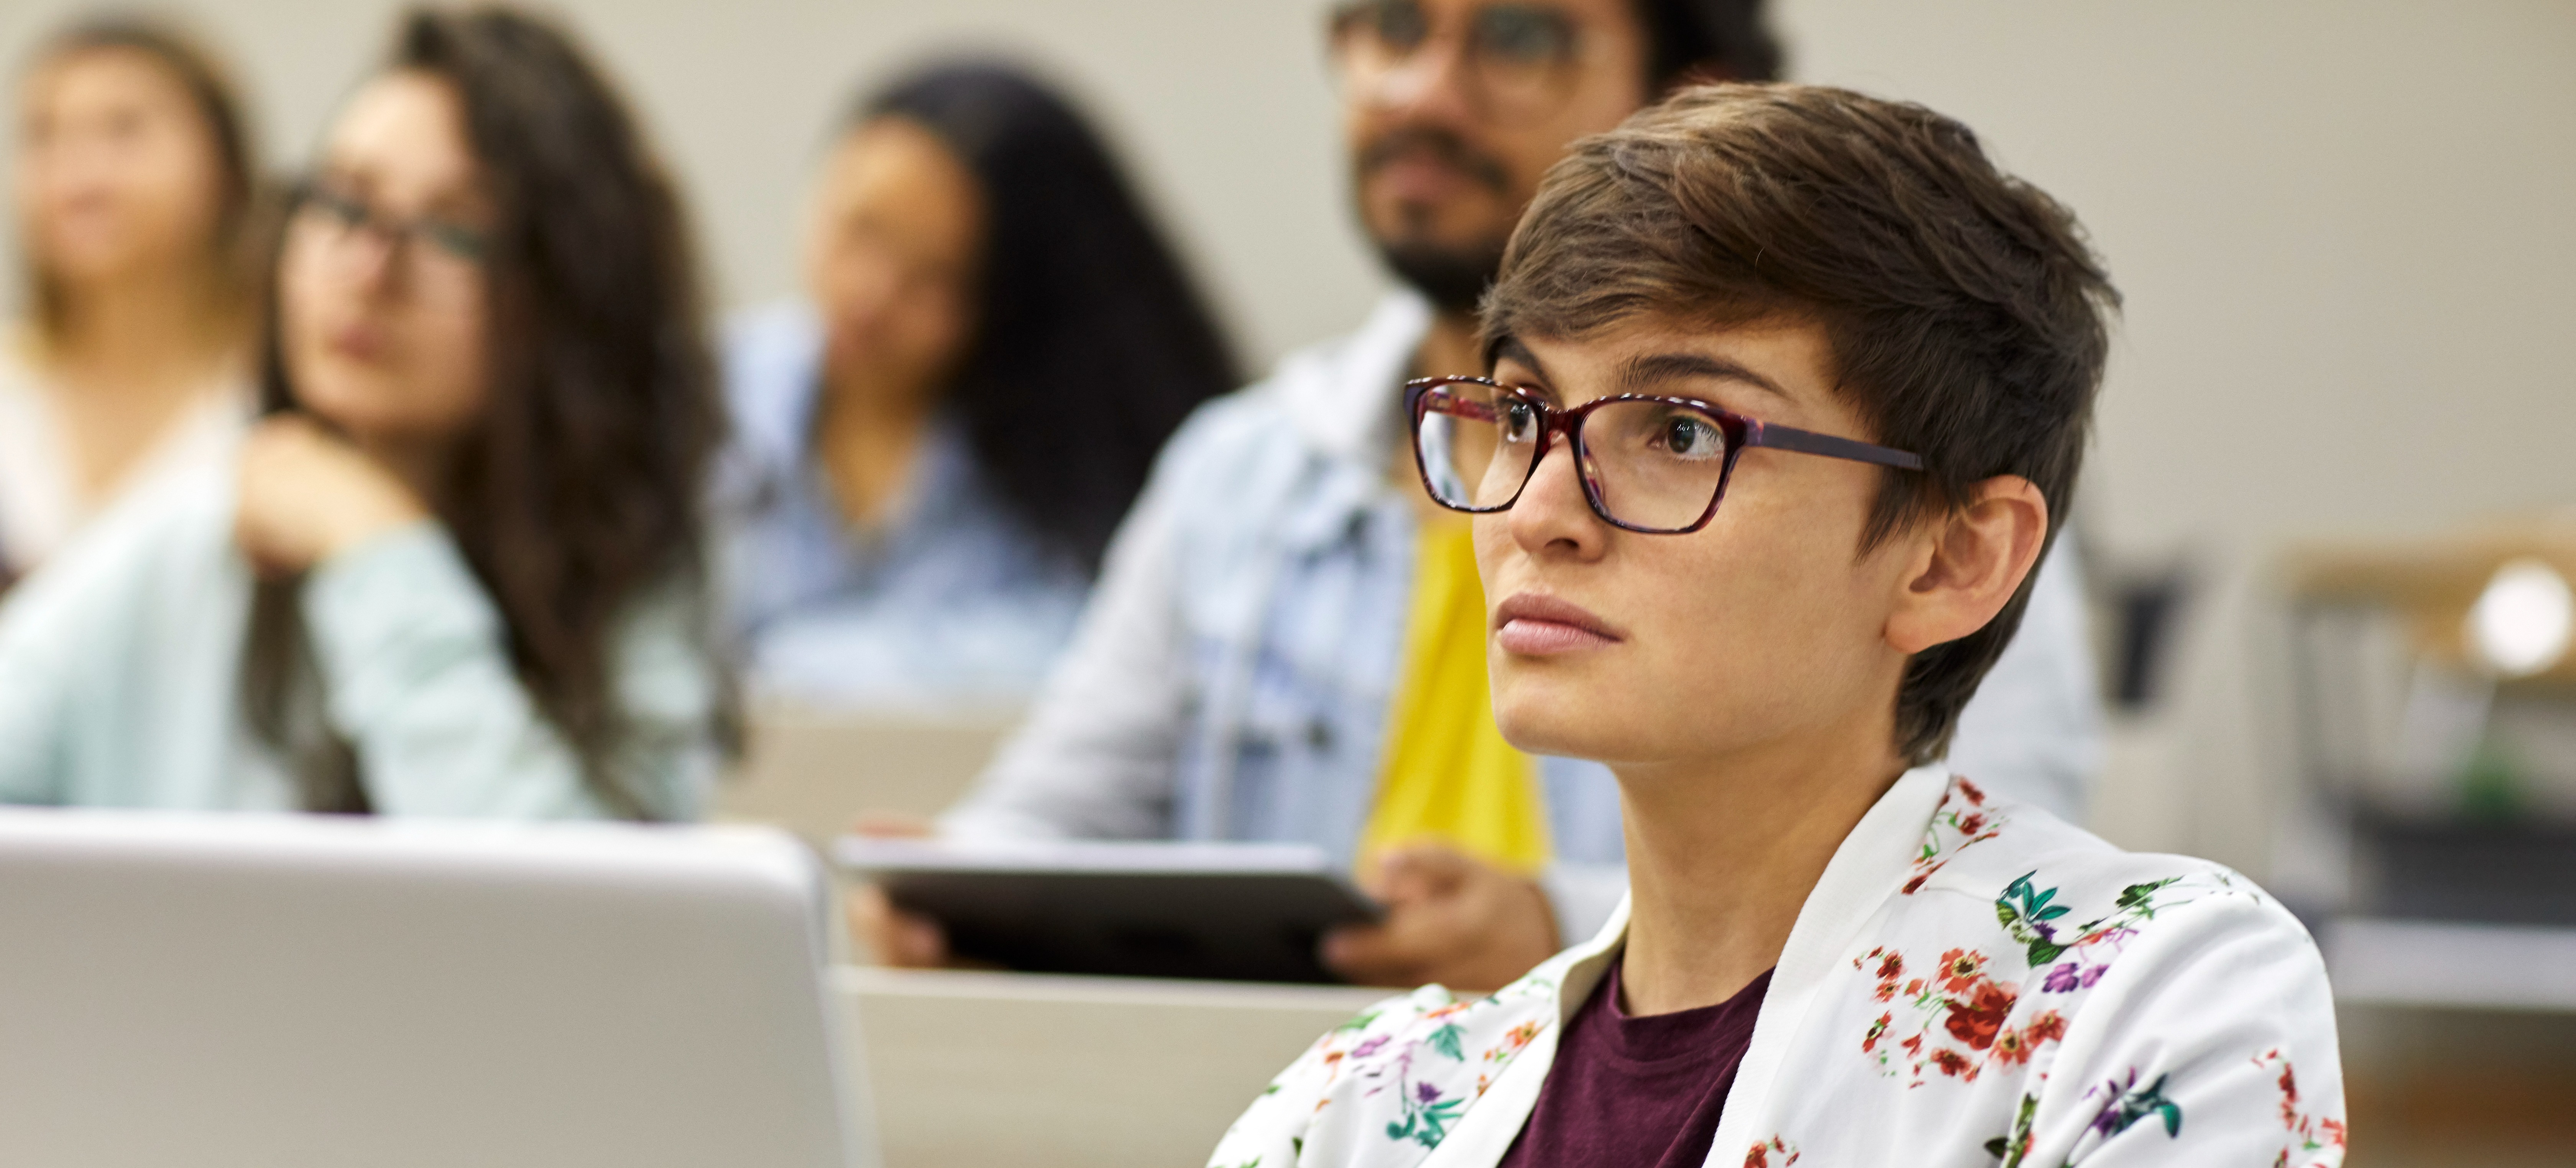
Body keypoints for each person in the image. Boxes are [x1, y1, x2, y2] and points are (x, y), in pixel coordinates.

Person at [1210, 82, 2345, 1168]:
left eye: (1682, 433)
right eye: (1517, 414)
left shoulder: (2140, 997)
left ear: (1955, 556)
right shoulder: (1362, 1103)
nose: (1537, 510)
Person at [905, 0, 2103, 993]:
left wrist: (1562, 934)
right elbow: (1048, 814)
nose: (1421, 94)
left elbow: (1983, 896)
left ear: (1699, 96)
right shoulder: (1240, 467)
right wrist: (938, 889)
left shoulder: (1900, 501)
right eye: (1388, 26)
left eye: (1519, 38)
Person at [0, 7, 727, 819]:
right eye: (344, 203)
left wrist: (375, 542)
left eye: (453, 228)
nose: (369, 269)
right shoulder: (194, 538)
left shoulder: (638, 573)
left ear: (564, 287)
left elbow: (575, 919)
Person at [717, 61, 1237, 709]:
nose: (870, 297)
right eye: (860, 229)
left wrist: (772, 671)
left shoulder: (1070, 469)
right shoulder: (702, 402)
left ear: (1014, 304)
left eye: (933, 278)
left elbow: (1101, 664)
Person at [0, 15, 261, 584]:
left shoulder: (273, 397)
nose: (78, 177)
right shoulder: (9, 387)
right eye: (43, 135)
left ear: (224, 166)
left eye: (124, 130)